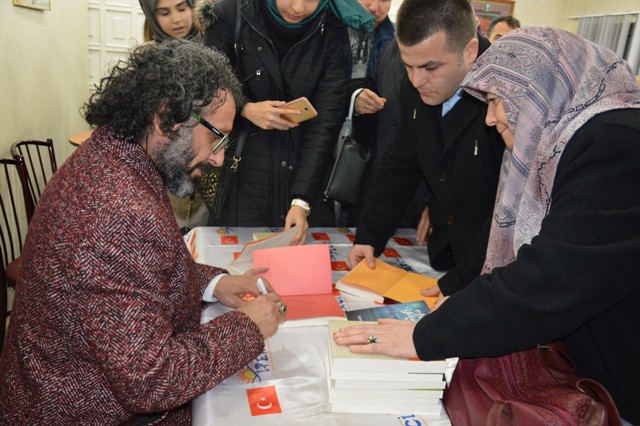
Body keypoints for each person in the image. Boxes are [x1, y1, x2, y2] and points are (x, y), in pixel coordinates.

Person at [334, 26, 640, 424]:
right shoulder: (564, 140)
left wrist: (421, 335)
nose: (491, 117)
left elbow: (548, 279)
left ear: (542, 90)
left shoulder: (615, 144)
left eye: (497, 100)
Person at [0, 41, 285, 425]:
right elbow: (151, 381)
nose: (218, 157)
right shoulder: (119, 209)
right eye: (216, 137)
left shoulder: (114, 154)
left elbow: (134, 276)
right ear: (166, 117)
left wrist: (212, 285)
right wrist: (247, 328)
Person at [348, 0, 504, 293]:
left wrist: (463, 280)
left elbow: (511, 208)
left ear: (469, 51)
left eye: (431, 67)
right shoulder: (417, 84)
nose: (417, 80)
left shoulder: (506, 92)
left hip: (491, 268)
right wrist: (369, 238)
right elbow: (400, 165)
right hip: (444, 252)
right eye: (409, 66)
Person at [196, 0, 368, 245]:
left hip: (304, 172)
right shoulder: (231, 13)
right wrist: (245, 108)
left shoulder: (332, 27)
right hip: (241, 179)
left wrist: (301, 200)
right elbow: (208, 83)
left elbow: (326, 123)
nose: (298, 8)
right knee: (237, 269)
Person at [140, 0, 210, 233]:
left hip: (207, 162)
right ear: (152, 16)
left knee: (203, 236)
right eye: (164, 12)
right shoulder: (147, 58)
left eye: (182, 8)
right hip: (161, 164)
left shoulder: (214, 49)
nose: (176, 19)